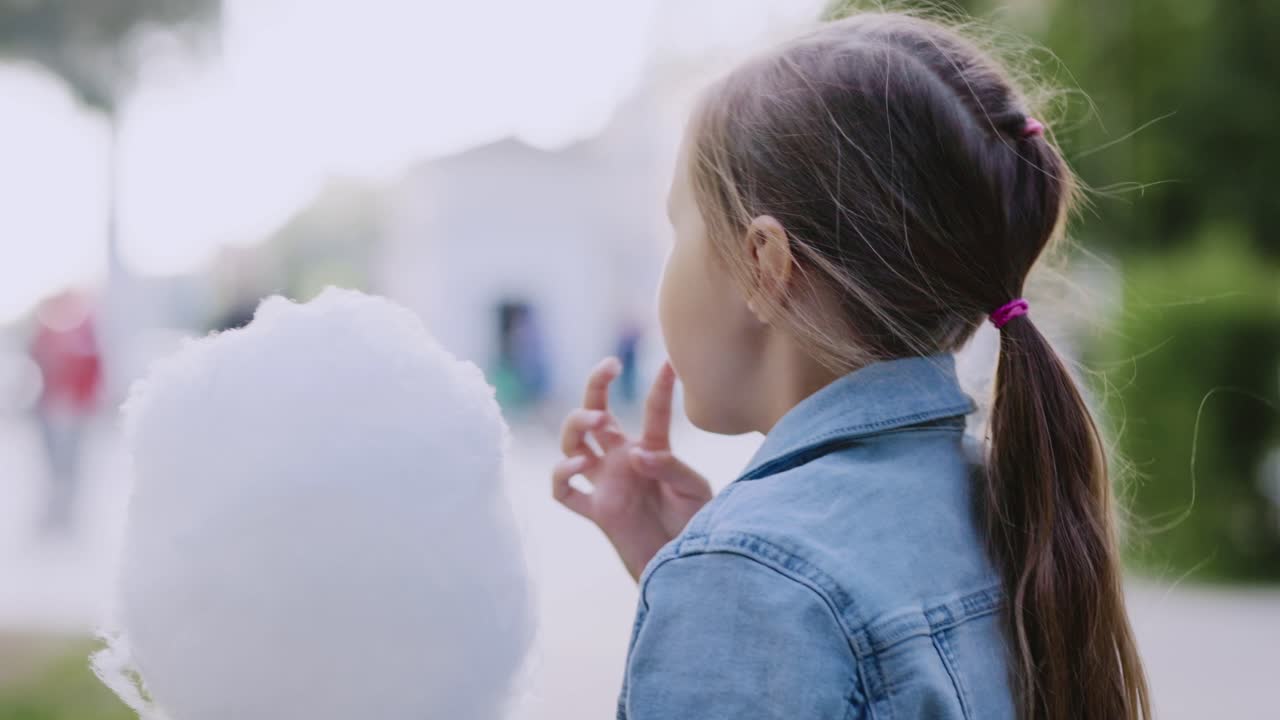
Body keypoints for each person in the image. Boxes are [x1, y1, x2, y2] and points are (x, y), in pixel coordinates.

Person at [551, 12, 1149, 720]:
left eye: (676, 228)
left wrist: (723, 582)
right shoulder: (998, 495)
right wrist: (692, 573)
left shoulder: (751, 575)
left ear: (763, 265)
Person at [29, 290, 102, 533]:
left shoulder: (84, 334)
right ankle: (54, 513)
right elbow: (35, 358)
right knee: (53, 464)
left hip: (74, 410)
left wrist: (85, 400)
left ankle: (67, 516)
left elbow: (93, 370)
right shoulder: (47, 333)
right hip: (50, 409)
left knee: (71, 464)